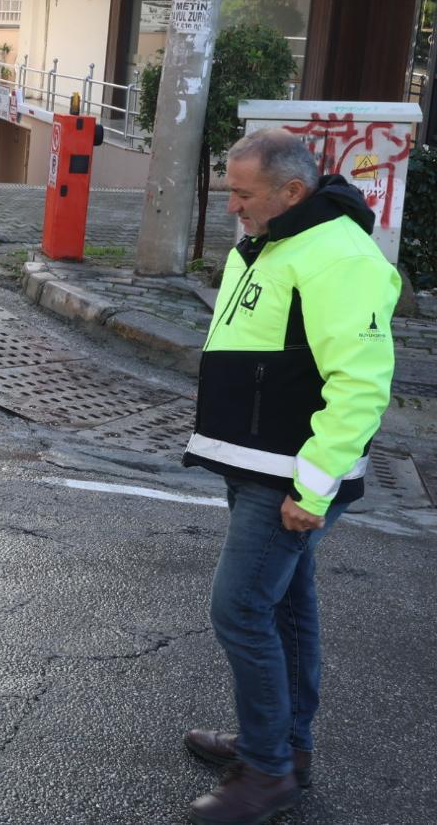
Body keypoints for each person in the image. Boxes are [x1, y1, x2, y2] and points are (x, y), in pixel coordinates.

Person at [180, 128, 399, 825]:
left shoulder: (339, 253)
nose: (232, 206)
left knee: (240, 608)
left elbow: (361, 381)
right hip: (258, 462)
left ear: (292, 191)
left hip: (290, 475)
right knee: (285, 607)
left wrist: (315, 487)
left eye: (243, 195)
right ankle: (283, 747)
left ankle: (268, 770)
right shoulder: (275, 239)